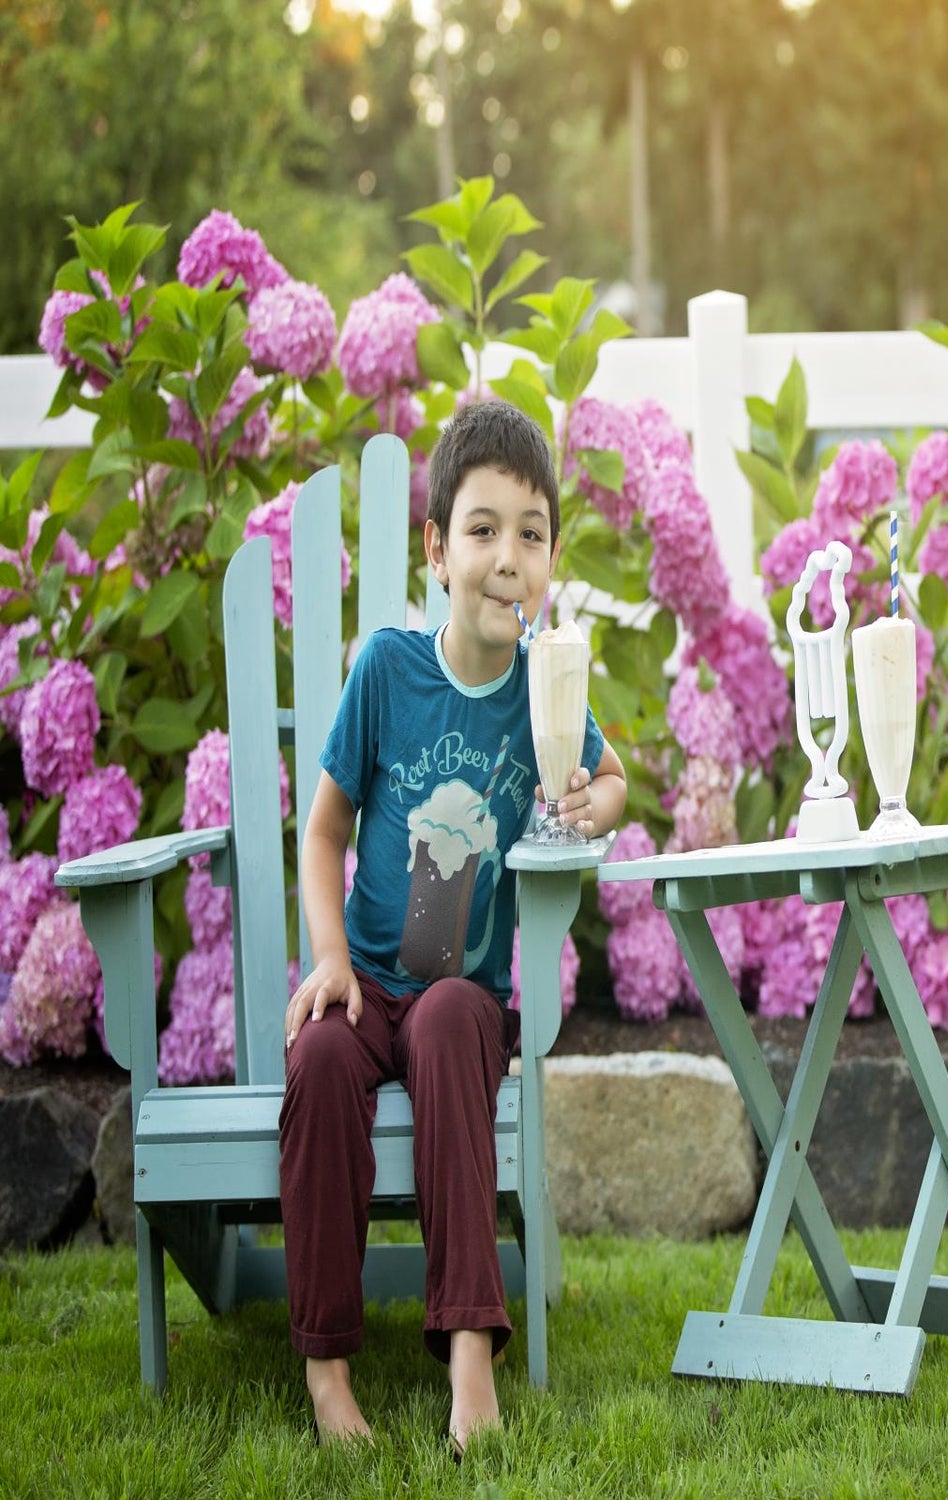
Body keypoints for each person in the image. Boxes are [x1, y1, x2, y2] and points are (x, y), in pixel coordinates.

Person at [279, 400, 628, 1451]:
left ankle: (470, 1349)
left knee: (445, 1022)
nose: (507, 557)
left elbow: (613, 781)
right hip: (367, 984)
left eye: (530, 533)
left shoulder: (545, 687)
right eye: (483, 531)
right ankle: (327, 1369)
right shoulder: (389, 670)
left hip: (463, 1000)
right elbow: (323, 830)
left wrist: (586, 804)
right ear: (438, 550)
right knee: (324, 1068)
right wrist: (332, 958)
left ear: (552, 555)